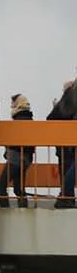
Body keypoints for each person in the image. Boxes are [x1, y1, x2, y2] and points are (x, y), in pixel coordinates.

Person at [0, 94, 36, 209]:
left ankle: (5, 210)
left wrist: (7, 148)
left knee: (0, 186)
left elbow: (16, 141)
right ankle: (23, 210)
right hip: (26, 159)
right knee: (18, 188)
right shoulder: (29, 119)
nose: (11, 106)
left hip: (16, 157)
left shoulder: (19, 120)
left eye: (12, 104)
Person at [48, 79, 77, 208]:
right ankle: (66, 196)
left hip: (65, 145)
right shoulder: (69, 101)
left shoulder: (66, 102)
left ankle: (65, 197)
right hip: (67, 144)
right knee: (70, 170)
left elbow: (51, 118)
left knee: (67, 170)